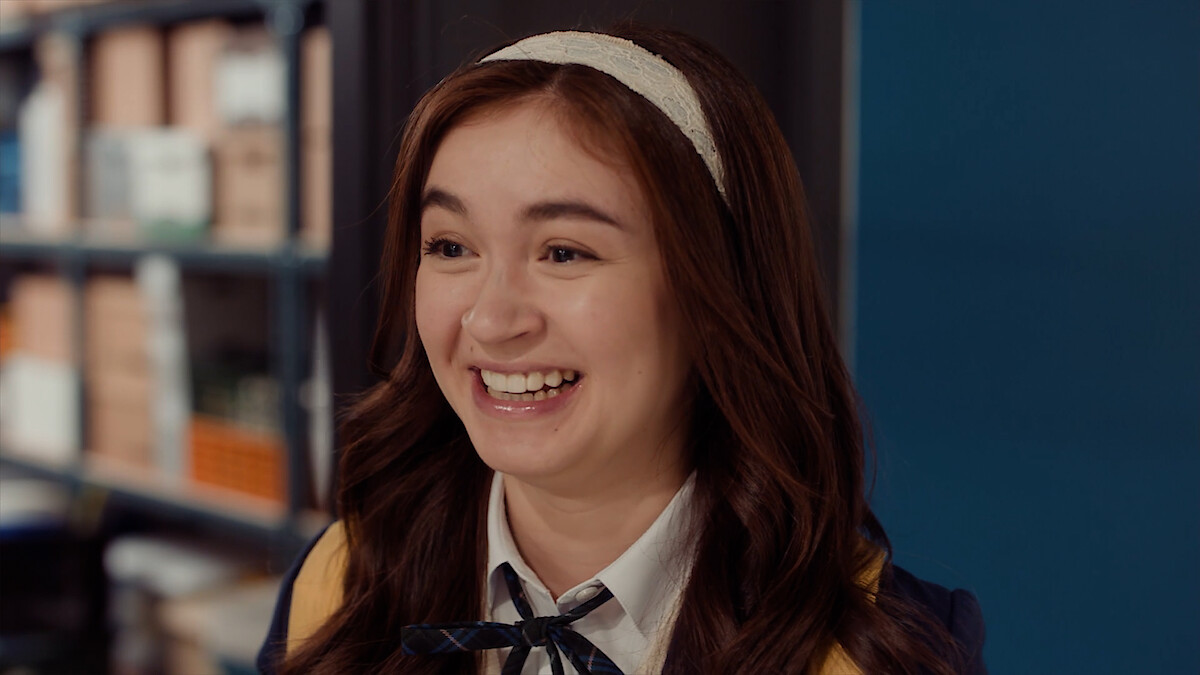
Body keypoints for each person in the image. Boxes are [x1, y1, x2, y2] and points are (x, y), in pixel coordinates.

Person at [258, 23, 986, 675]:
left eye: (565, 252)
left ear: (718, 291)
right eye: (451, 246)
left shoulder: (880, 650)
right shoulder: (344, 582)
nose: (488, 318)